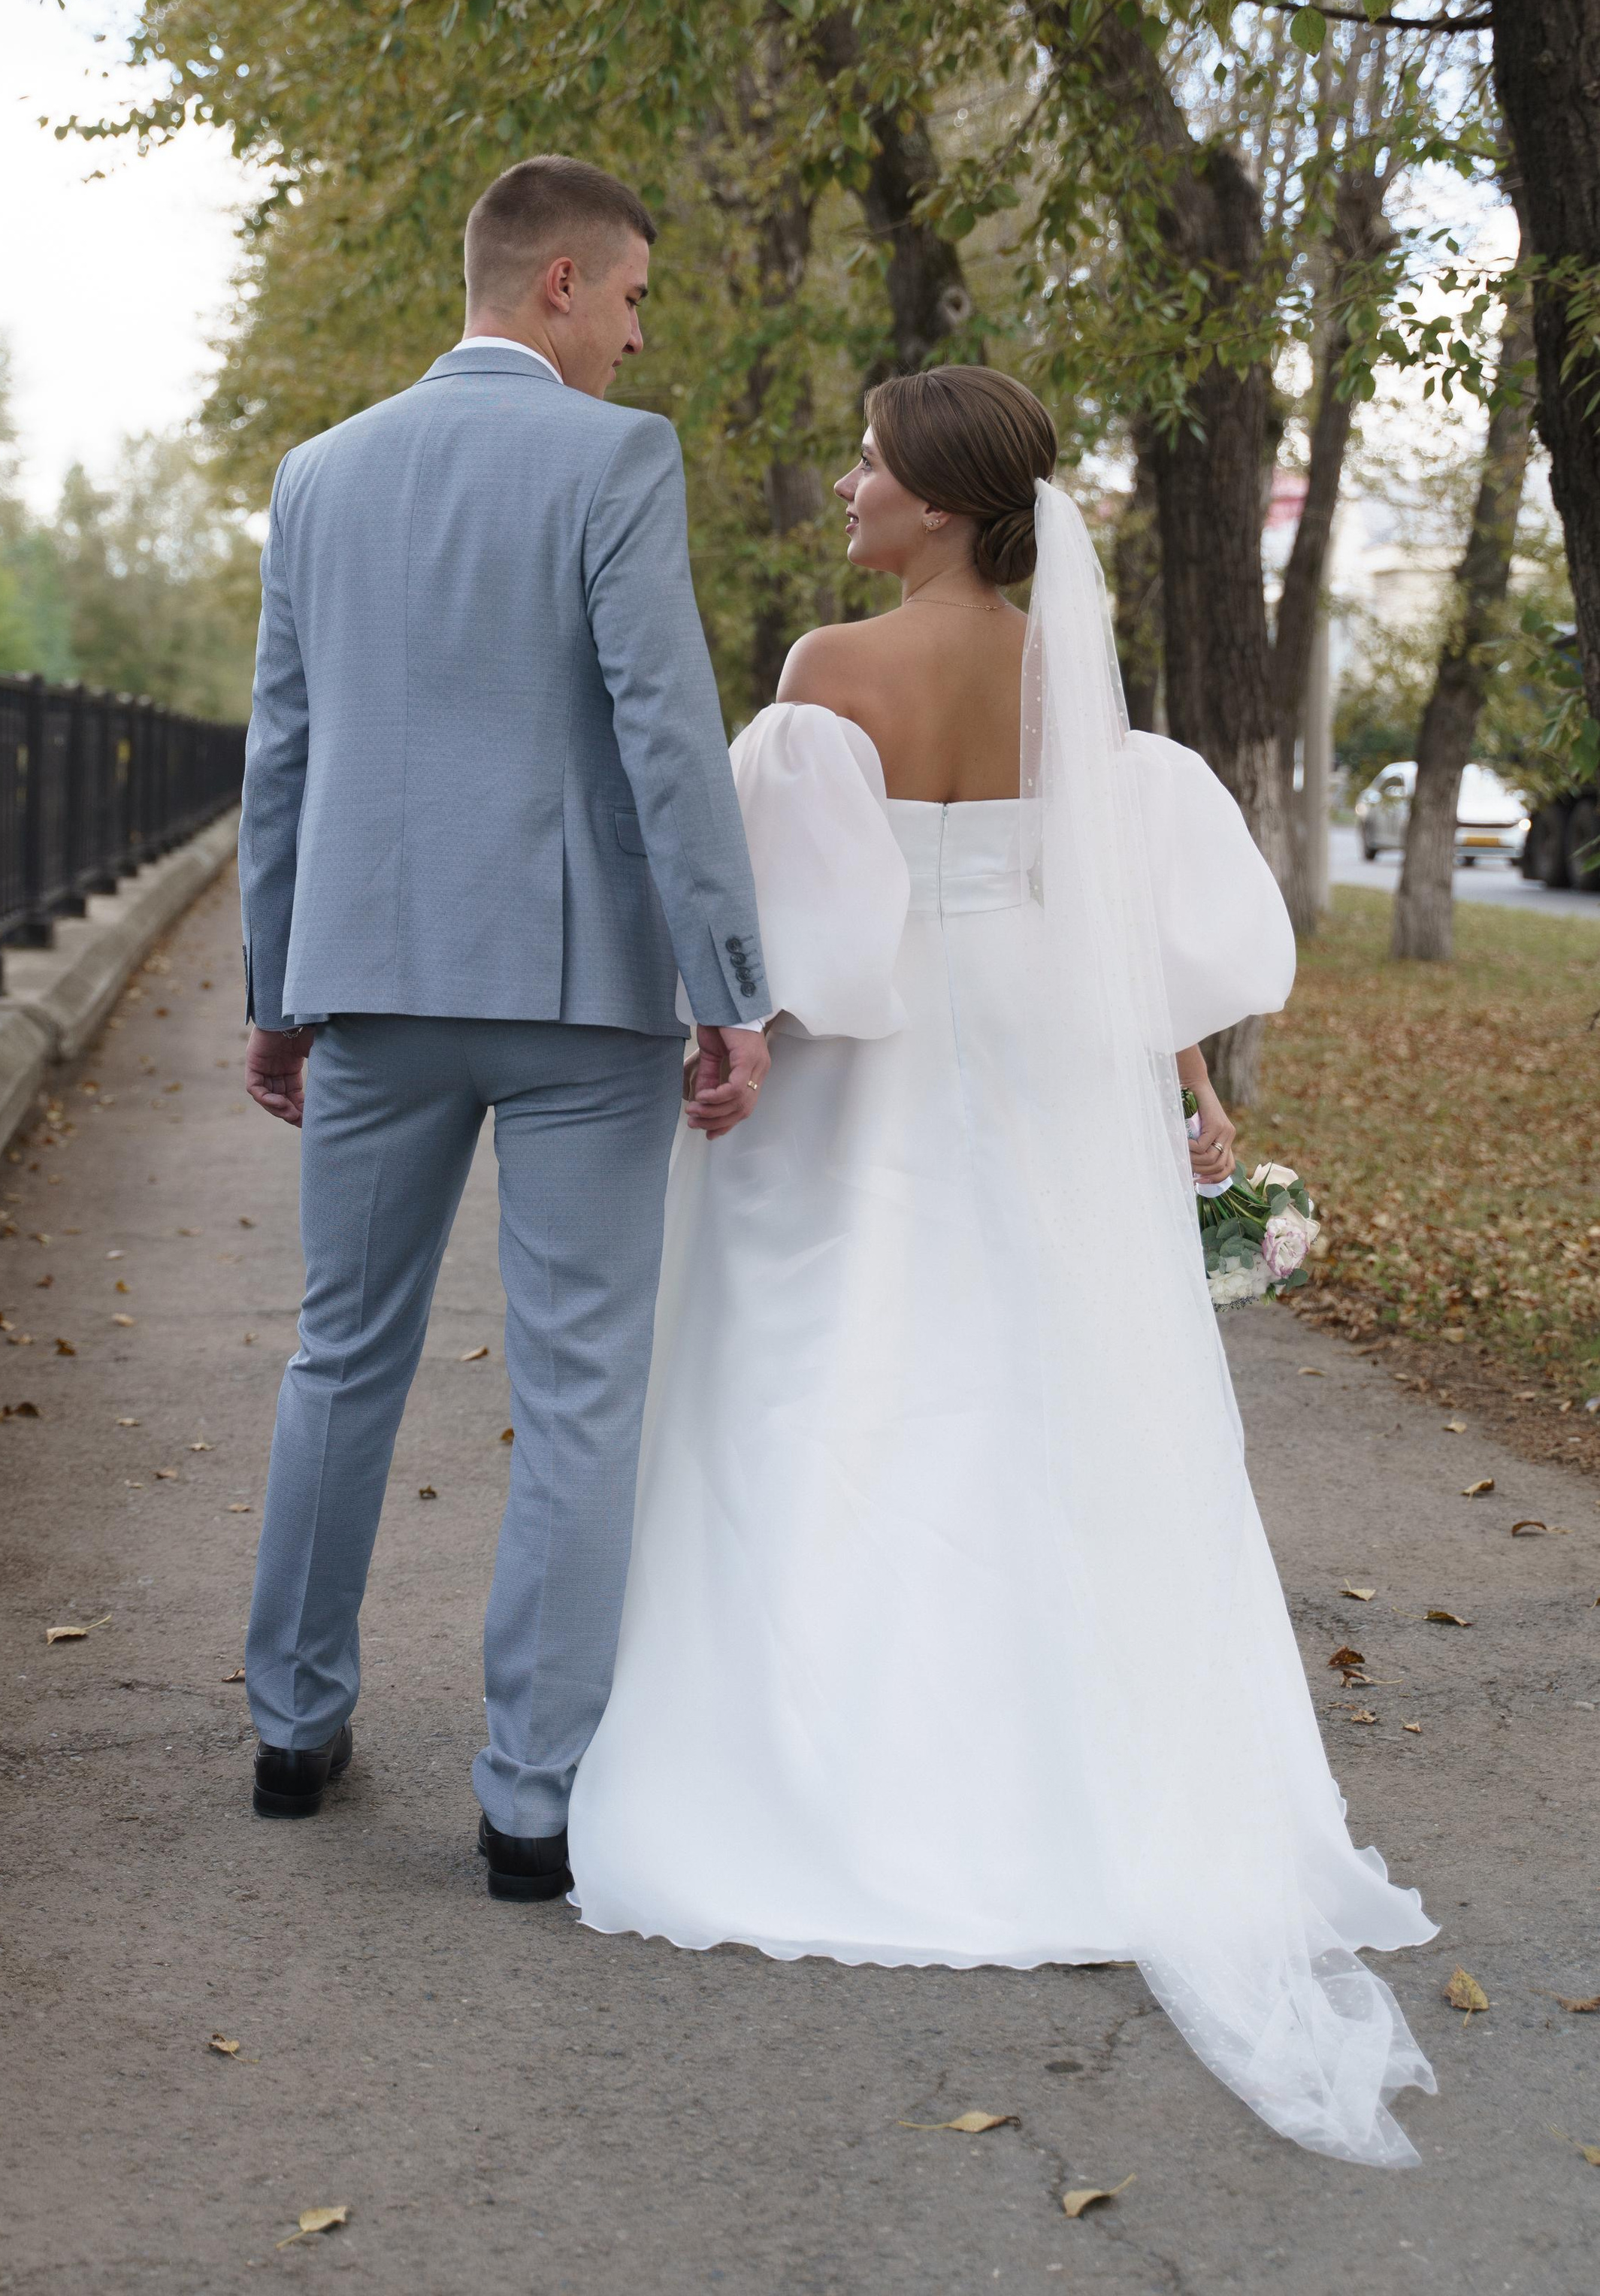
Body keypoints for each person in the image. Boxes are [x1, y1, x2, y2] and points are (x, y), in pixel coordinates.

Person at [567, 363, 1438, 2165]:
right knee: (1044, 1406)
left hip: (858, 1085)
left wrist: (721, 1036)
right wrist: (1181, 1081)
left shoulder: (829, 676)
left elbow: (795, 935)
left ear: (942, 502)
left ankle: (836, 1776)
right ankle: (1083, 1781)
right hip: (1037, 1078)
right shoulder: (1079, 694)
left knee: (819, 1401)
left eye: (867, 462)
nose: (842, 482)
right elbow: (1105, 920)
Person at [237, 155, 771, 1900]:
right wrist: (727, 982)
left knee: (341, 1354)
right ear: (556, 281)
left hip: (371, 986)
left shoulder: (316, 474)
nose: (634, 333)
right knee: (578, 1388)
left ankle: (291, 1728)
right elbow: (664, 733)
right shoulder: (614, 458)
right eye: (628, 297)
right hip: (573, 996)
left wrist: (272, 986)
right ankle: (529, 1801)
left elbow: (284, 755)